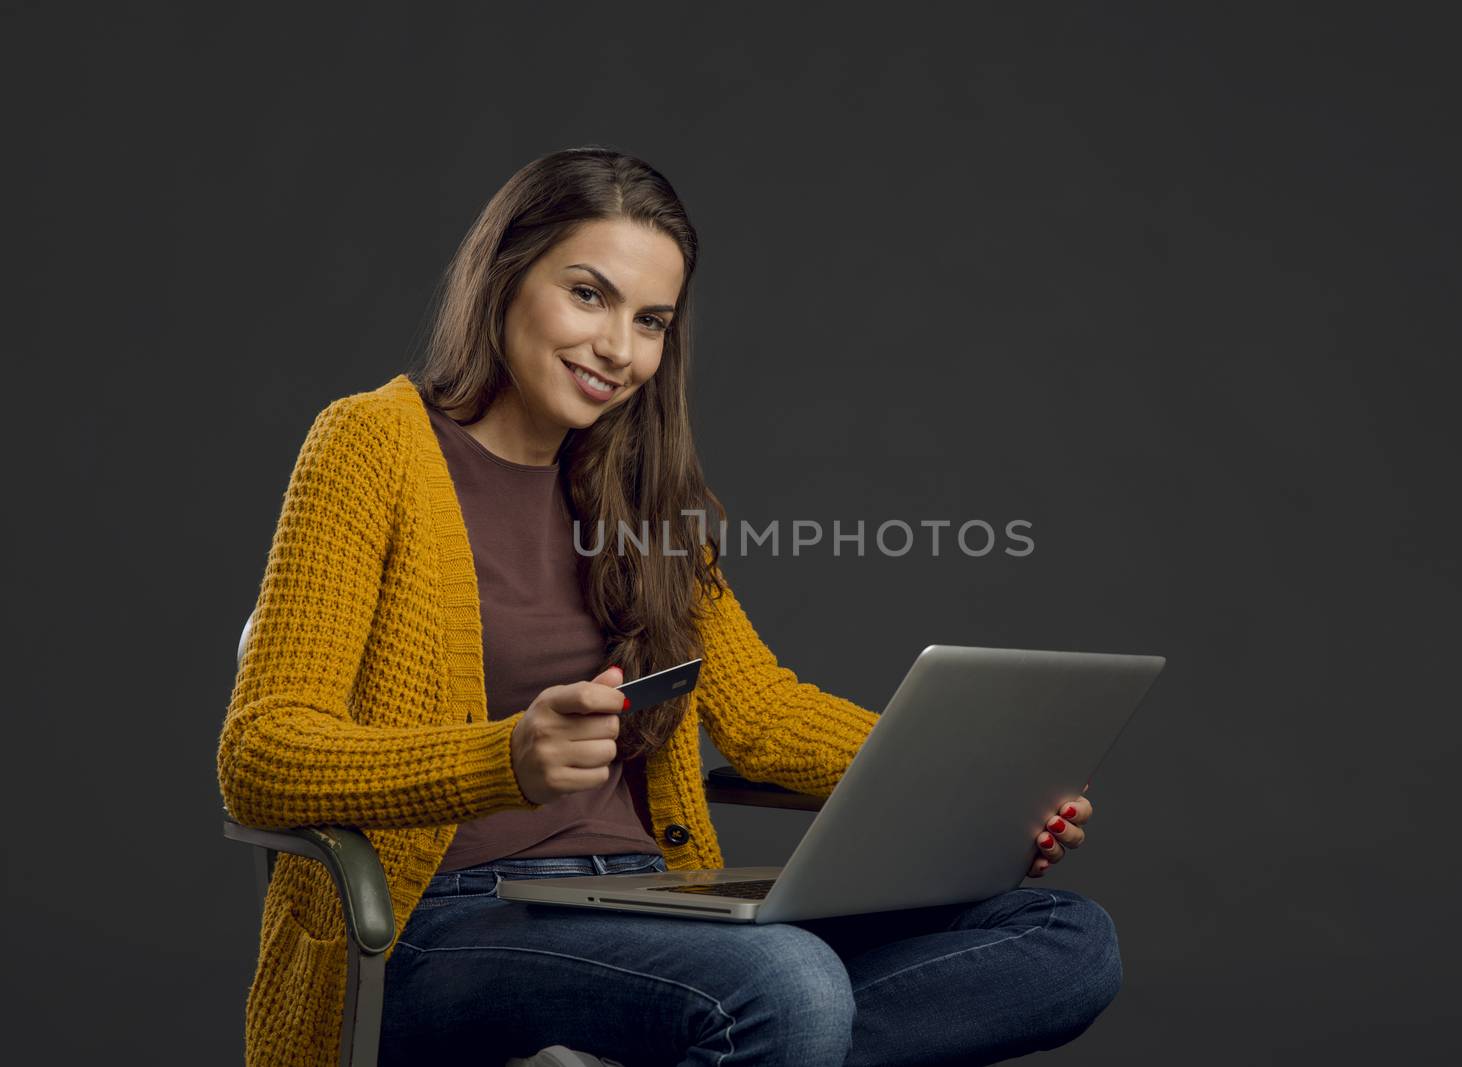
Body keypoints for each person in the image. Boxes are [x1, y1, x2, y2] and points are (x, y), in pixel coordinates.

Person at [218, 146, 1121, 1067]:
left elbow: (763, 714)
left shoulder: (647, 497)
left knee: (1062, 942)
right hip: (446, 926)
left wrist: (973, 788)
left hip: (653, 909)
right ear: (503, 278)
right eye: (588, 294)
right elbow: (261, 752)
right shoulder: (369, 447)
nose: (619, 348)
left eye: (651, 320)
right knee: (785, 985)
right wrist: (503, 757)